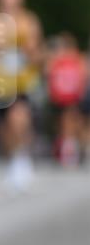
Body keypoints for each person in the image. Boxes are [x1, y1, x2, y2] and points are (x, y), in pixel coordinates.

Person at [0, 0, 43, 190]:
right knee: (4, 126)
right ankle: (12, 161)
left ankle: (22, 159)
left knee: (20, 119)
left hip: (22, 80)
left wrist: (29, 50)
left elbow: (37, 52)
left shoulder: (28, 20)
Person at [46, 32, 88, 167]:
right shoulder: (54, 61)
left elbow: (82, 81)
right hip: (60, 102)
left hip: (77, 100)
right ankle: (69, 149)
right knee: (67, 118)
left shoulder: (80, 61)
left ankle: (79, 149)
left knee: (76, 118)